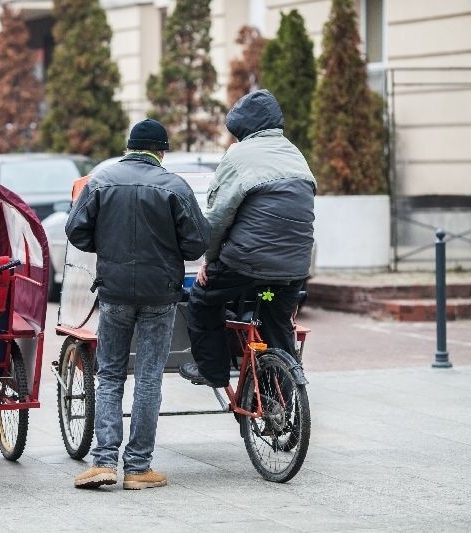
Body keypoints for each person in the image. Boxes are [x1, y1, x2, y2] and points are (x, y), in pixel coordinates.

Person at [65, 118, 208, 490]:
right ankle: (138, 468)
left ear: (129, 147)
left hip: (113, 291)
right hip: (160, 293)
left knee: (109, 375)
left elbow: (75, 230)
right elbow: (196, 243)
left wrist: (108, 245)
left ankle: (104, 462)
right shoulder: (175, 186)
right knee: (148, 377)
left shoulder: (101, 181)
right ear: (160, 151)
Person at [180, 89, 316, 388]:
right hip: (292, 271)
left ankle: (212, 371)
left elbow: (217, 218)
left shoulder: (238, 155)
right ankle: (279, 399)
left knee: (204, 300)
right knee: (275, 316)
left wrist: (209, 261)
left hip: (245, 266)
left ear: (243, 127)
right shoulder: (294, 154)